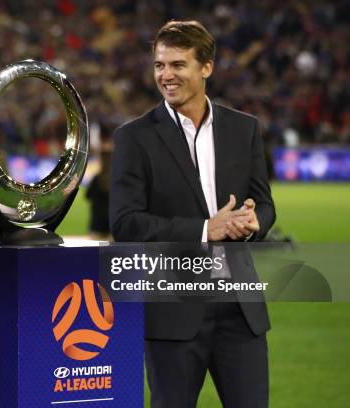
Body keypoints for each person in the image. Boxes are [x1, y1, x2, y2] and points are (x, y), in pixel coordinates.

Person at [110, 20, 275, 407]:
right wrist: (205, 229)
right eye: (159, 65)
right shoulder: (134, 137)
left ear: (207, 67)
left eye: (178, 65)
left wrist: (255, 222)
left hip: (239, 310)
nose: (166, 75)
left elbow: (264, 203)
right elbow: (125, 223)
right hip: (174, 314)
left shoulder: (244, 129)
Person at [86, 142, 112, 241]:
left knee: (95, 255)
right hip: (112, 225)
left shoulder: (97, 178)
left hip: (97, 224)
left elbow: (88, 196)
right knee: (111, 255)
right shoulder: (116, 179)